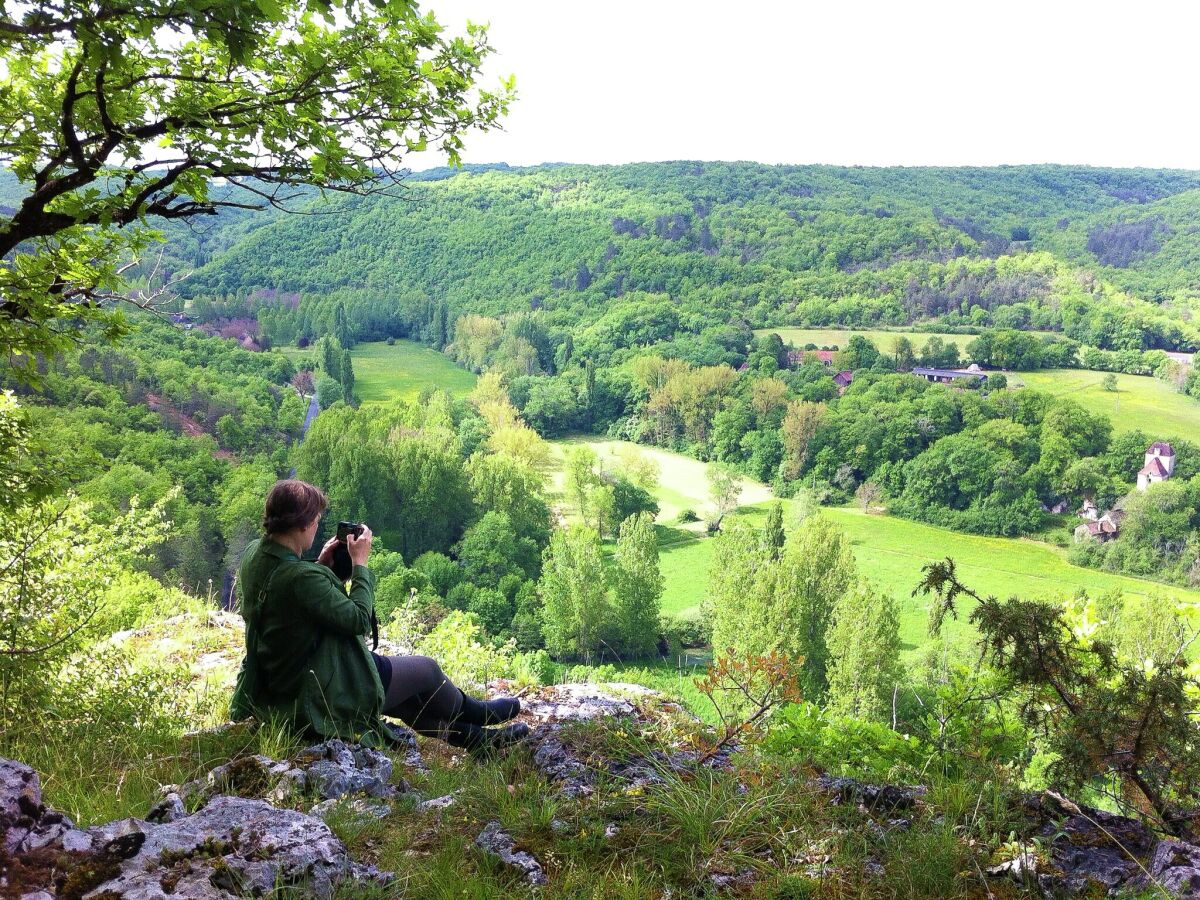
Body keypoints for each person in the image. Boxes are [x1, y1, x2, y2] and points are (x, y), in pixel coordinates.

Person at [231, 479, 528, 753]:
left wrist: (321, 565)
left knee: (407, 703)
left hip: (284, 674)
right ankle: (479, 712)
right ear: (303, 525)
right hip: (318, 685)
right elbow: (358, 620)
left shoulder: (254, 554)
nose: (316, 526)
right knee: (426, 671)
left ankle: (479, 740)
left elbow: (294, 601)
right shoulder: (300, 578)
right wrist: (360, 564)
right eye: (316, 521)